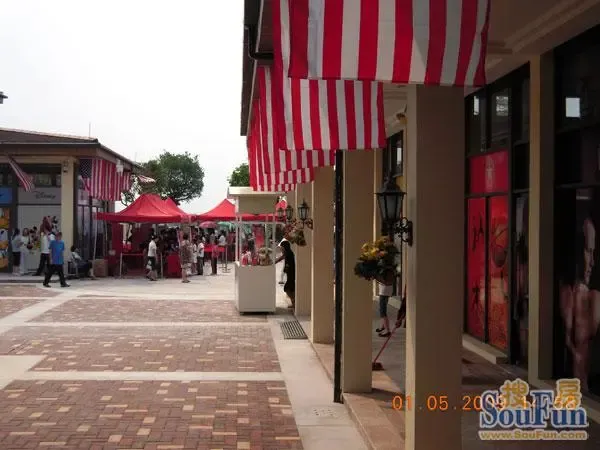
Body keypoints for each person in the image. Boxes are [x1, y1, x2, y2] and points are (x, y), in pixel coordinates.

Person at [559, 217, 600, 392]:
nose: (592, 261)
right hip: (579, 373)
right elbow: (568, 336)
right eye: (588, 251)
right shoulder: (570, 293)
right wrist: (576, 354)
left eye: (593, 252)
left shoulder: (592, 295)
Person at [278, 240, 295, 309]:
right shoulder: (288, 253)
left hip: (291, 274)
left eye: (282, 248)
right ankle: (294, 303)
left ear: (285, 247)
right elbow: (281, 258)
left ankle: (294, 303)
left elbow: (288, 264)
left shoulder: (289, 254)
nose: (281, 249)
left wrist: (286, 268)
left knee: (287, 288)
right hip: (290, 274)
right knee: (291, 289)